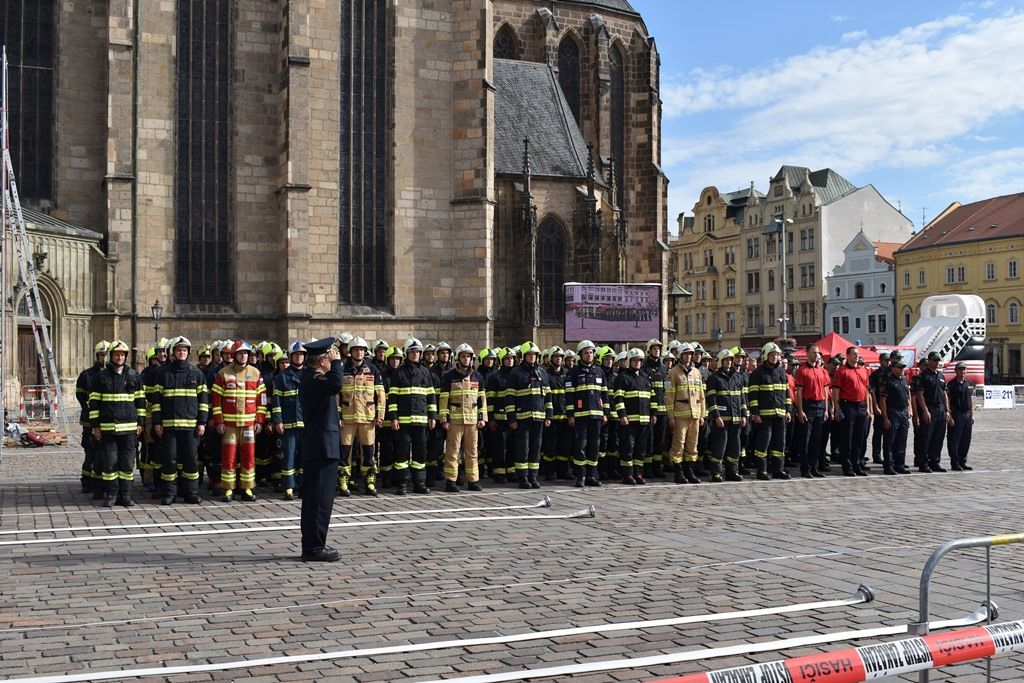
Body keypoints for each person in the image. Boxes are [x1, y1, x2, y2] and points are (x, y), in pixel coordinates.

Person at [297, 337, 344, 562]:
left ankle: (314, 544)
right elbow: (336, 384)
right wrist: (337, 364)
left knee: (318, 499)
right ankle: (315, 547)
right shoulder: (314, 378)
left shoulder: (313, 377)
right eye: (331, 356)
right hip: (321, 446)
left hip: (321, 445)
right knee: (319, 500)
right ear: (323, 360)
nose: (334, 359)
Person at [150, 336, 209, 505]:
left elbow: (204, 401)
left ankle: (191, 492)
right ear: (173, 353)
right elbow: (156, 402)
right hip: (169, 427)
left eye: (184, 350)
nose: (181, 353)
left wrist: (202, 423)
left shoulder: (197, 374)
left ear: (188, 353)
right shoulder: (163, 373)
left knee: (191, 460)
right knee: (169, 460)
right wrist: (157, 423)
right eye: (178, 350)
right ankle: (169, 493)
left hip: (191, 428)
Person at [88, 340, 145, 507]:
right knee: (110, 464)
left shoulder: (134, 376)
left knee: (127, 464)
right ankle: (111, 495)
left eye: (122, 354)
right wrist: (95, 426)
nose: (119, 357)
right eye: (116, 354)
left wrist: (140, 423)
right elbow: (94, 403)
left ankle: (125, 495)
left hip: (129, 429)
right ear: (111, 356)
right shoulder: (100, 377)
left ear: (125, 356)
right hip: (108, 429)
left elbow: (141, 403)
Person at [211, 340, 268, 501]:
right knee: (228, 457)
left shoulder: (256, 373)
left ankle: (247, 488)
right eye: (240, 353)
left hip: (249, 425)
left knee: (249, 456)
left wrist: (259, 420)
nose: (243, 356)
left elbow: (261, 399)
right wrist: (219, 421)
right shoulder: (223, 373)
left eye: (246, 353)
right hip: (229, 425)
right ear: (234, 355)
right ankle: (228, 489)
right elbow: (216, 400)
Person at [387, 337, 437, 495]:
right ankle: (402, 483)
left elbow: (431, 395)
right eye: (412, 351)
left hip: (421, 421)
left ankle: (419, 482)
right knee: (401, 454)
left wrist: (433, 416)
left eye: (417, 352)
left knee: (420, 453)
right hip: (403, 421)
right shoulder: (399, 372)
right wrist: (394, 417)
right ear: (406, 353)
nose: (415, 354)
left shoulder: (425, 372)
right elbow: (393, 397)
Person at [339, 337, 386, 497]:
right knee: (345, 452)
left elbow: (380, 395)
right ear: (350, 352)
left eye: (361, 350)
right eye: (356, 349)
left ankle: (369, 481)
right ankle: (343, 481)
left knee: (368, 451)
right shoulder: (342, 369)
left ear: (365, 352)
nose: (359, 352)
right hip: (347, 419)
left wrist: (380, 415)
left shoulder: (373, 370)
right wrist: (338, 415)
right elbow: (337, 395)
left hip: (368, 418)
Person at [438, 343, 487, 492]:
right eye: (463, 356)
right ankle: (451, 481)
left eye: (468, 356)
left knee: (472, 452)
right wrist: (444, 419)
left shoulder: (478, 377)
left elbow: (482, 400)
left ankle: (473, 480)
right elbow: (443, 400)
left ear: (472, 359)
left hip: (472, 421)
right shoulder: (449, 377)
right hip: (455, 421)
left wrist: (482, 418)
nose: (466, 359)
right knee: (452, 451)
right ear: (458, 358)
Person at [507, 342, 552, 489]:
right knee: (523, 449)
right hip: (522, 419)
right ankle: (523, 478)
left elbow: (548, 396)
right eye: (529, 355)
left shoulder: (542, 373)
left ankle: (533, 476)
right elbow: (510, 397)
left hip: (539, 417)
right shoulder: (516, 374)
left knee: (535, 448)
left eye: (534, 355)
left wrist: (548, 415)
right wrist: (512, 418)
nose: (532, 357)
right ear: (524, 356)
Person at [565, 339, 608, 488]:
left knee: (594, 447)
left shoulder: (600, 372)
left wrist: (605, 413)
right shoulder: (573, 373)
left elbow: (604, 395)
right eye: (586, 353)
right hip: (580, 416)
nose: (589, 355)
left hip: (596, 415)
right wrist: (570, 414)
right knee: (580, 447)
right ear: (580, 355)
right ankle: (580, 476)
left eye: (591, 352)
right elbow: (569, 395)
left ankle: (591, 475)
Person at [748, 342, 792, 480]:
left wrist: (788, 411)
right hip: (764, 415)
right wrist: (755, 413)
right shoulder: (758, 373)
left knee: (780, 443)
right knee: (763, 443)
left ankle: (778, 469)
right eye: (772, 355)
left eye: (776, 355)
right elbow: (753, 395)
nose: (774, 357)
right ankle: (762, 470)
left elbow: (786, 393)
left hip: (780, 414)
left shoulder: (781, 372)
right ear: (766, 356)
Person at [613, 348, 656, 484]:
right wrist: (622, 415)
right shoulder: (622, 377)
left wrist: (653, 414)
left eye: (639, 360)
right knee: (628, 449)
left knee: (641, 449)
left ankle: (638, 473)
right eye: (634, 360)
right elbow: (618, 398)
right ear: (629, 361)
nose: (637, 363)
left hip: (644, 421)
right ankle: (627, 475)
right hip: (629, 421)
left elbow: (652, 397)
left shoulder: (645, 377)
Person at [666, 342, 705, 484]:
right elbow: (669, 396)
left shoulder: (697, 372)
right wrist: (671, 416)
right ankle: (678, 473)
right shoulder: (673, 373)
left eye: (690, 354)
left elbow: (701, 396)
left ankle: (690, 471)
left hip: (695, 415)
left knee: (692, 445)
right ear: (680, 356)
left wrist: (702, 415)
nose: (689, 357)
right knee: (678, 445)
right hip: (680, 416)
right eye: (686, 354)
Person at [705, 348, 747, 482]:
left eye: (730, 360)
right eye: (726, 360)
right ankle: (716, 472)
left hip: (736, 419)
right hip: (722, 420)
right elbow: (711, 399)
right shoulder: (714, 378)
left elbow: (742, 398)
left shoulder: (738, 377)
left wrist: (743, 415)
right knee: (719, 447)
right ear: (721, 362)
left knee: (735, 447)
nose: (729, 362)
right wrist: (716, 416)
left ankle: (732, 472)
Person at [831, 346, 873, 477]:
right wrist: (837, 409)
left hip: (861, 405)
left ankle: (857, 464)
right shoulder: (841, 371)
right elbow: (836, 391)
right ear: (847, 356)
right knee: (847, 438)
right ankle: (847, 466)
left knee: (859, 438)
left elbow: (866, 390)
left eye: (858, 354)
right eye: (854, 354)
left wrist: (867, 408)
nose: (856, 356)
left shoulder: (863, 370)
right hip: (847, 406)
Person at [271, 341, 306, 499]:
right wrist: (277, 421)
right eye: (296, 355)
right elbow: (276, 402)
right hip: (289, 423)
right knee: (289, 457)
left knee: (305, 456)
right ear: (291, 357)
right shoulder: (282, 377)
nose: (299, 357)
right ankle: (289, 487)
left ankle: (303, 485)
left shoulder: (310, 375)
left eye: (301, 354)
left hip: (306, 423)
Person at [75, 340, 109, 496]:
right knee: (91, 452)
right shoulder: (86, 375)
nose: (104, 358)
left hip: (108, 420)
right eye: (102, 355)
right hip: (89, 421)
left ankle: (102, 482)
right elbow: (81, 396)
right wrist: (90, 410)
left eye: (106, 355)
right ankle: (87, 482)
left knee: (105, 452)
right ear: (97, 356)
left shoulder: (112, 375)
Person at [793, 343, 830, 478]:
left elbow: (826, 391)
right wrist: (800, 410)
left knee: (817, 440)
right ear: (807, 354)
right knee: (806, 440)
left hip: (820, 406)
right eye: (814, 352)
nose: (817, 355)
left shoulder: (822, 371)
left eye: (818, 353)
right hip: (808, 406)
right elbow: (799, 393)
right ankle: (805, 468)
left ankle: (814, 467)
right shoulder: (802, 371)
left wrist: (826, 409)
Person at [913, 351, 953, 473]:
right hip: (929, 408)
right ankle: (923, 463)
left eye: (938, 360)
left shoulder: (941, 376)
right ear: (929, 361)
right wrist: (925, 411)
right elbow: (919, 395)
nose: (936, 362)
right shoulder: (923, 376)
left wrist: (947, 410)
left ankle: (935, 461)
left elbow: (945, 394)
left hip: (940, 408)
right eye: (934, 360)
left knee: (938, 437)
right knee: (926, 438)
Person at [879, 352, 913, 475]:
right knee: (890, 441)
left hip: (903, 411)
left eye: (903, 367)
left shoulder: (904, 380)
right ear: (893, 368)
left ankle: (900, 464)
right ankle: (889, 465)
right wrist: (885, 418)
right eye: (899, 367)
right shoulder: (888, 380)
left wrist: (910, 410)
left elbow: (908, 396)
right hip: (892, 411)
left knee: (902, 440)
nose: (902, 369)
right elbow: (882, 400)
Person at [946, 362, 975, 471]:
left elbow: (971, 400)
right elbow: (948, 400)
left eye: (964, 370)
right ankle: (955, 462)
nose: (962, 372)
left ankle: (963, 461)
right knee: (954, 439)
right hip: (956, 413)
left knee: (965, 439)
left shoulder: (969, 383)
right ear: (956, 371)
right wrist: (950, 415)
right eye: (960, 369)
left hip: (967, 414)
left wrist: (972, 415)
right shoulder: (951, 384)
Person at [868, 352, 891, 464]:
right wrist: (875, 406)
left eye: (888, 360)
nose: (887, 362)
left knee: (889, 432)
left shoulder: (892, 373)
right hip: (879, 405)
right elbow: (872, 390)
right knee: (878, 431)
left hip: (890, 406)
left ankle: (890, 455)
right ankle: (876, 454)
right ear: (880, 361)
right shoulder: (875, 374)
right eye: (885, 360)